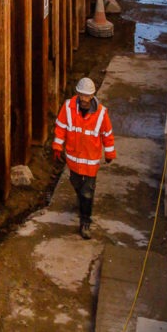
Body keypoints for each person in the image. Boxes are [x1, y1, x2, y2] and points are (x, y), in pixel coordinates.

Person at [52, 76, 115, 238]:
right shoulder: (68, 108)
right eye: (82, 95)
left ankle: (85, 222)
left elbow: (107, 134)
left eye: (87, 96)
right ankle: (82, 202)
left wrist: (109, 153)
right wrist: (58, 146)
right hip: (73, 159)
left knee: (87, 192)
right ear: (78, 94)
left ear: (93, 96)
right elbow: (61, 127)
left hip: (91, 161)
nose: (84, 99)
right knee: (76, 183)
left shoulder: (101, 114)